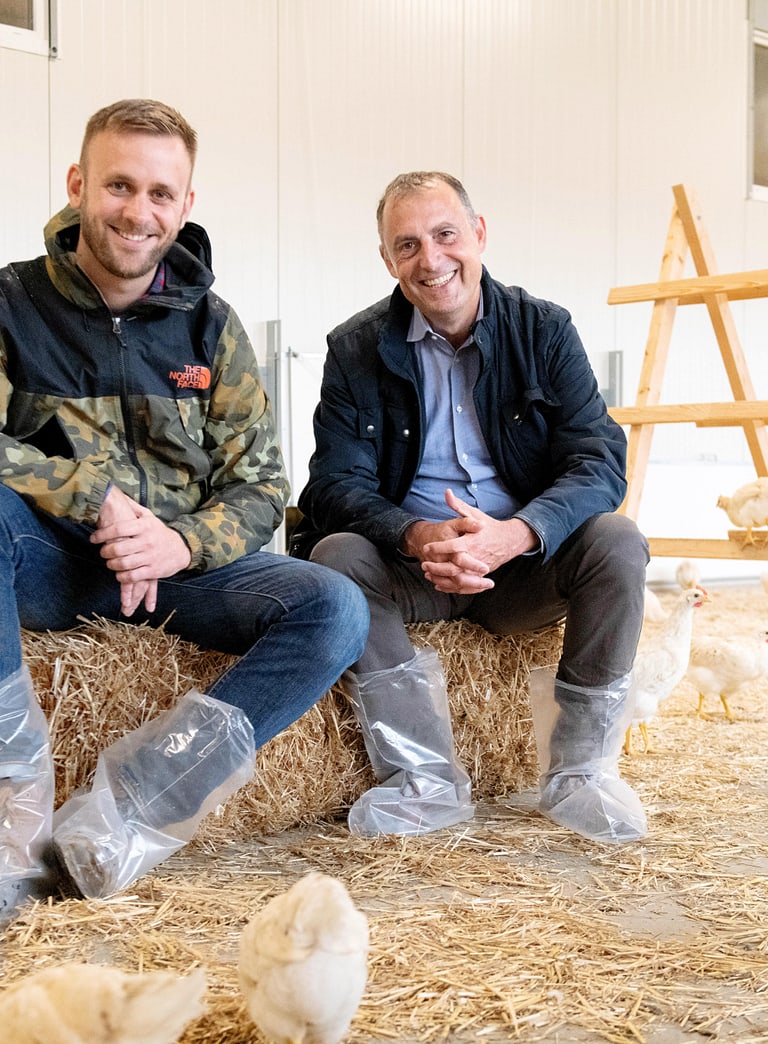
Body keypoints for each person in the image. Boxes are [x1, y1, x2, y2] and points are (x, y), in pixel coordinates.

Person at [0, 99, 369, 920]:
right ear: (78, 184)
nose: (138, 211)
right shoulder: (12, 304)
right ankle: (13, 825)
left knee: (335, 608)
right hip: (48, 561)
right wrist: (97, 497)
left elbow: (262, 484)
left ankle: (123, 816)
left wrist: (178, 540)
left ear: (186, 205)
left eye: (161, 193)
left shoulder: (211, 326)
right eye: (119, 185)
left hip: (177, 577)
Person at [292, 170, 650, 845]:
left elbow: (598, 460)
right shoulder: (355, 349)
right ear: (387, 260)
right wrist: (416, 534)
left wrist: (518, 533)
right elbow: (333, 485)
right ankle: (424, 778)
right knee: (334, 555)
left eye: (446, 234)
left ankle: (580, 775)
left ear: (479, 235)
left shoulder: (544, 330)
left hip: (520, 567)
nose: (431, 260)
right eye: (407, 245)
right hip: (415, 569)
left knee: (617, 541)